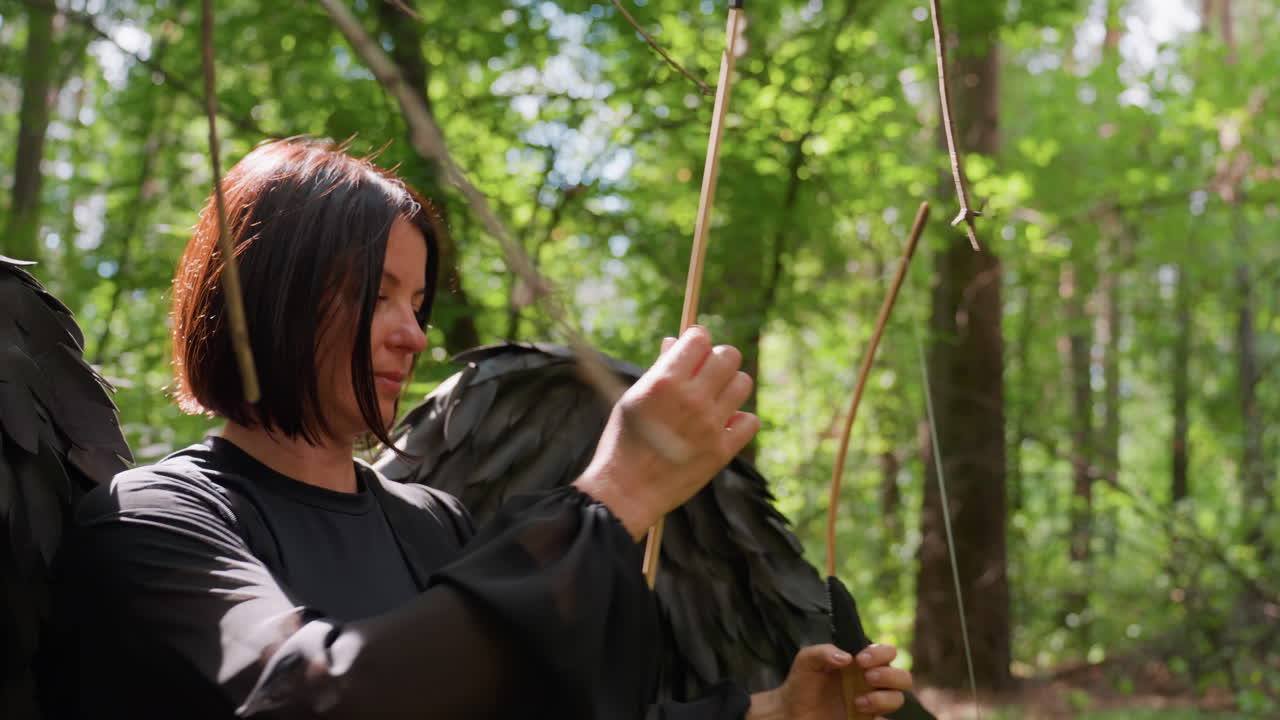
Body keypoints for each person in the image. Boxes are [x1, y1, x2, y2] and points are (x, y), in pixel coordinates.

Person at [40, 138, 912, 719]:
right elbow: (314, 697)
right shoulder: (157, 519)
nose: (414, 335)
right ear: (265, 297)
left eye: (418, 302)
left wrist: (770, 713)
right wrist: (615, 494)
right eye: (377, 294)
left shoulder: (432, 521)